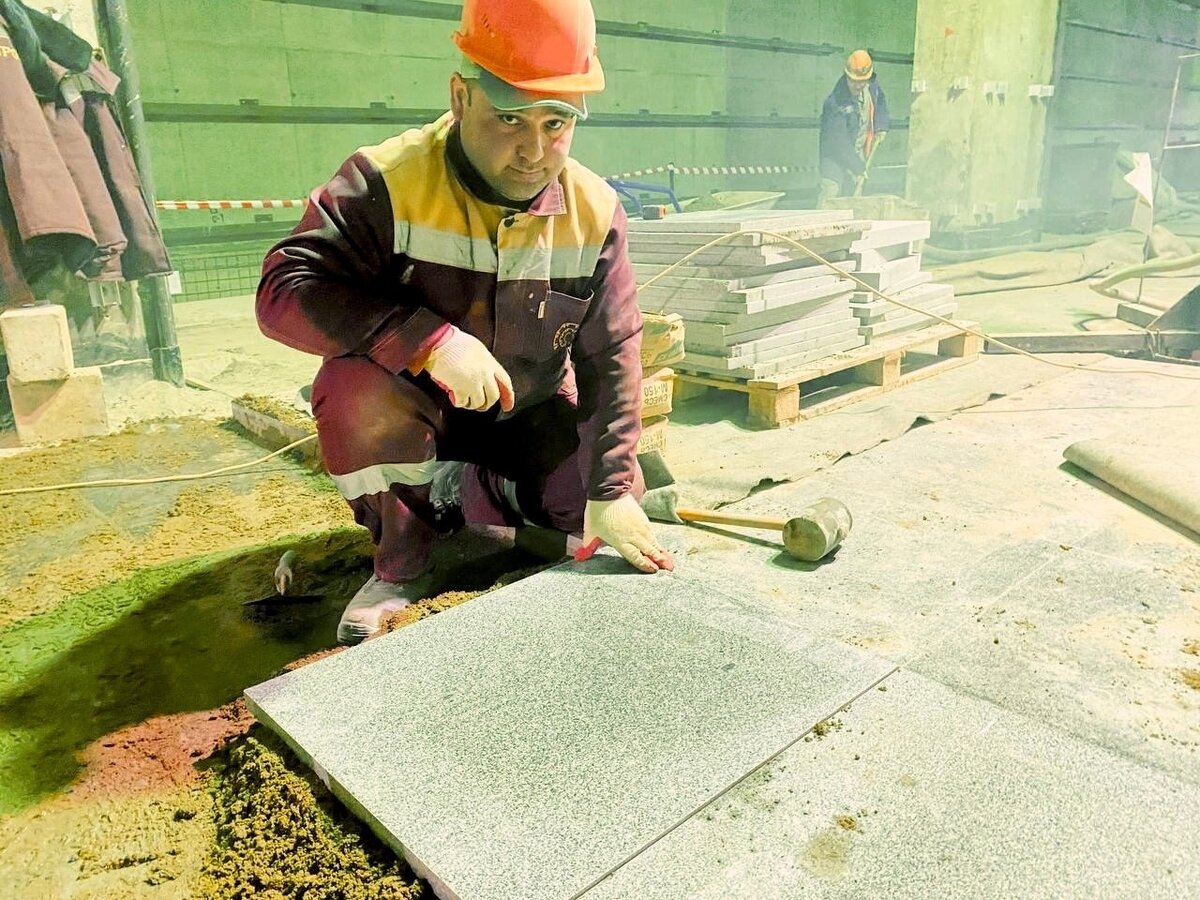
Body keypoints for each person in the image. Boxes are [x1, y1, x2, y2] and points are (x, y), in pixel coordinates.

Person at [256, 0, 674, 644]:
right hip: (416, 415)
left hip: (525, 413)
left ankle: (481, 495)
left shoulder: (595, 212)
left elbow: (612, 351)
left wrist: (614, 487)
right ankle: (402, 559)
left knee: (601, 506)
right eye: (509, 117)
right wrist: (424, 339)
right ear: (460, 95)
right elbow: (284, 288)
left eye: (556, 121)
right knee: (355, 399)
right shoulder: (387, 182)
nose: (533, 151)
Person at [818, 49, 890, 203]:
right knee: (831, 195)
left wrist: (881, 126)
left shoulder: (873, 87)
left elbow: (881, 103)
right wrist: (858, 169)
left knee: (854, 201)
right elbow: (838, 142)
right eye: (854, 81)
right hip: (835, 159)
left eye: (862, 81)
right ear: (846, 76)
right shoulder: (835, 102)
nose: (858, 86)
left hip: (858, 155)